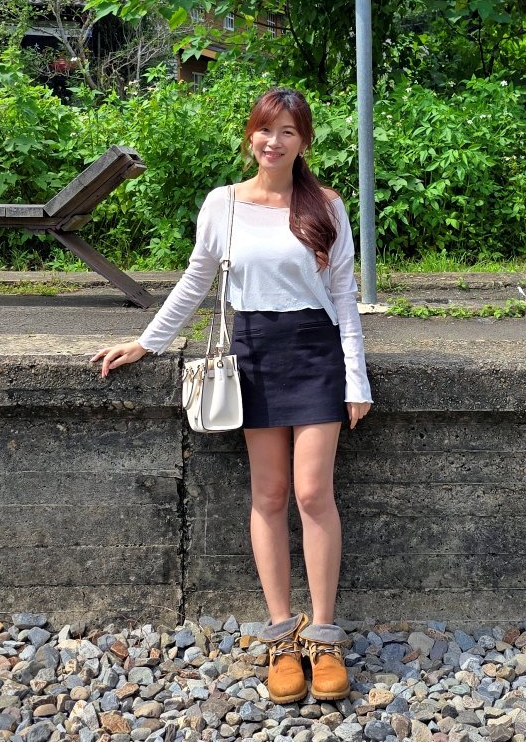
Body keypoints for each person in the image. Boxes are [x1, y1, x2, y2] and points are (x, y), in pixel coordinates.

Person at [91, 86, 372, 705]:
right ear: (251, 135)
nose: (274, 142)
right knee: (268, 495)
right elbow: (196, 279)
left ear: (304, 142)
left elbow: (345, 296)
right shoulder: (224, 204)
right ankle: (282, 638)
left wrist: (356, 378)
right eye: (265, 130)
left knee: (311, 493)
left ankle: (324, 637)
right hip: (252, 352)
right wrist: (149, 343)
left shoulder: (325, 205)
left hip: (314, 350)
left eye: (288, 132)